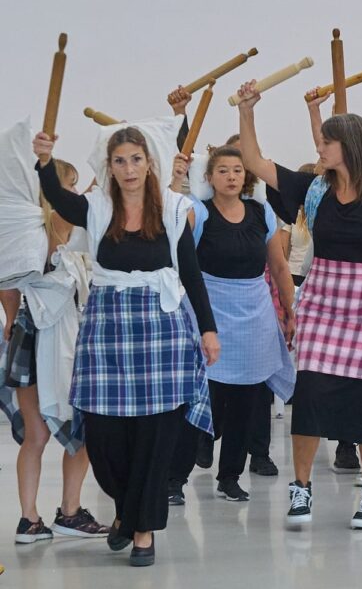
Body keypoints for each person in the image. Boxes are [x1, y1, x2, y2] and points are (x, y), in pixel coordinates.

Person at [236, 83, 362, 530]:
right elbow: (254, 161)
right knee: (311, 397)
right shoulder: (313, 189)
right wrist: (246, 112)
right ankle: (301, 488)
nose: (318, 148)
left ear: (349, 147)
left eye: (326, 142)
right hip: (323, 305)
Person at [34, 127, 219, 567]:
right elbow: (59, 199)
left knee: (155, 435)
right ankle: (125, 511)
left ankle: (142, 531)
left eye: (136, 159)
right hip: (107, 328)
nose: (129, 169)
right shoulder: (98, 207)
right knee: (104, 435)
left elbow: (190, 272)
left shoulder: (173, 209)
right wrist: (44, 162)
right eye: (120, 161)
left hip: (161, 331)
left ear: (149, 163)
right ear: (110, 167)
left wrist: (208, 329)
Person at [166, 146, 296, 504]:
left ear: (246, 176)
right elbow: (172, 231)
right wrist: (175, 182)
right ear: (209, 177)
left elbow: (279, 266)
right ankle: (174, 479)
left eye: (237, 170)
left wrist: (289, 310)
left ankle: (230, 477)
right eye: (222, 170)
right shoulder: (198, 211)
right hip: (209, 312)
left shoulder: (261, 212)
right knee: (199, 400)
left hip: (255, 315)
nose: (231, 176)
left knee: (246, 403)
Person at [0, 159, 109, 544]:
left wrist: (12, 319)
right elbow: (91, 196)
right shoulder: (49, 228)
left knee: (42, 434)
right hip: (51, 334)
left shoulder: (30, 234)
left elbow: (7, 287)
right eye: (70, 185)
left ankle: (34, 518)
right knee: (74, 427)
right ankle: (65, 512)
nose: (76, 192)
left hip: (36, 331)